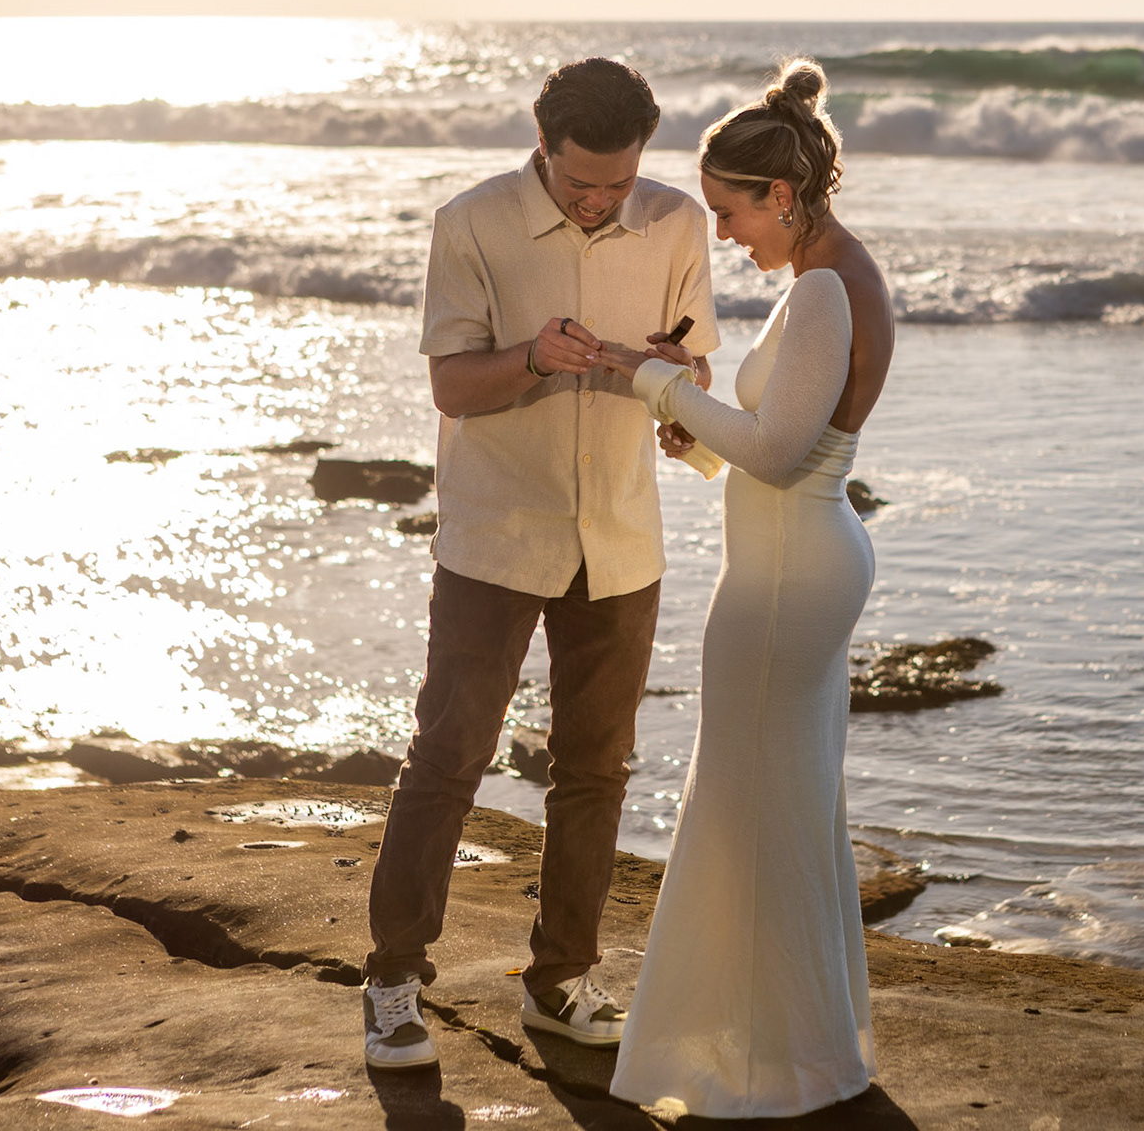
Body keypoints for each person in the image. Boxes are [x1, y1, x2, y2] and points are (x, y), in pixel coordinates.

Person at [361, 58, 720, 1069]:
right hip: (496, 536)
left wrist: (669, 382)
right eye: (582, 184)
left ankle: (561, 978)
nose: (604, 201)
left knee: (596, 768)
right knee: (449, 755)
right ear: (543, 144)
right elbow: (452, 385)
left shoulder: (678, 223)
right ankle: (393, 976)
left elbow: (692, 366)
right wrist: (531, 358)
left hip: (620, 537)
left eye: (619, 182)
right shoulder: (471, 222)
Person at [594, 59, 895, 1119]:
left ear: (782, 195)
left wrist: (649, 377)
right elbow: (780, 449)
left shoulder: (822, 289)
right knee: (783, 800)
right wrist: (696, 443)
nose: (723, 235)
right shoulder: (832, 275)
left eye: (729, 211)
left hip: (783, 579)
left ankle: (775, 1064)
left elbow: (776, 454)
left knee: (751, 807)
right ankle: (797, 1044)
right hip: (800, 556)